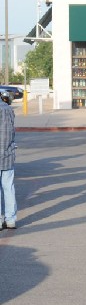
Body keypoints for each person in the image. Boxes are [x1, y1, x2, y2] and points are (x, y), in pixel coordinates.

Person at [0, 98, 17, 230]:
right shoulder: (9, 109)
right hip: (8, 155)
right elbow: (11, 132)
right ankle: (10, 220)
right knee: (9, 187)